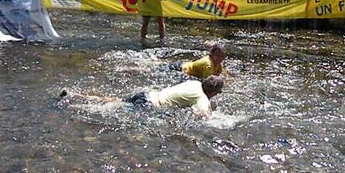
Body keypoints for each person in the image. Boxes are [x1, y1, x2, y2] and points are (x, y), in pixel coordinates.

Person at [59, 75, 224, 119]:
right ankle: (71, 107)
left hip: (146, 94)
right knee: (106, 109)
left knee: (111, 101)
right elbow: (204, 118)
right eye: (219, 91)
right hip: (148, 104)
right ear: (214, 91)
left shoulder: (193, 83)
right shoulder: (202, 99)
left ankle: (74, 94)